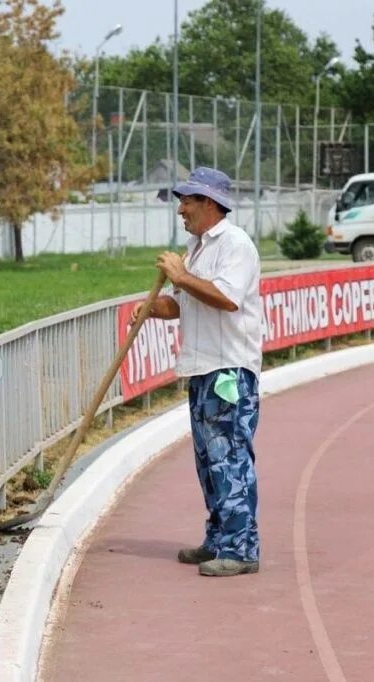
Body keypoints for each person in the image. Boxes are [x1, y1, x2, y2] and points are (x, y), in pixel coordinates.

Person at [135, 166, 263, 577]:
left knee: (229, 459)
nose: (181, 210)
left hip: (229, 371)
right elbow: (185, 303)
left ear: (209, 202)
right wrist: (155, 309)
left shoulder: (235, 244)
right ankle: (218, 538)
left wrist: (181, 275)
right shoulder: (197, 247)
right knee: (209, 462)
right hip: (202, 369)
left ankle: (241, 549)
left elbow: (226, 298)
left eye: (187, 201)